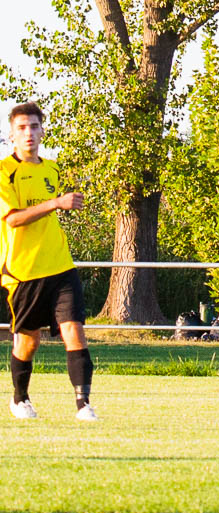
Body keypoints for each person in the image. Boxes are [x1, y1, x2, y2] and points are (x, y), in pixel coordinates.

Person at [0, 101, 98, 421]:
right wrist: (55, 203)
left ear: (42, 131)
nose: (28, 133)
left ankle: (83, 405)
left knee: (75, 331)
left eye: (34, 126)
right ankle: (20, 399)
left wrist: (61, 204)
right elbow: (13, 219)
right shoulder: (4, 172)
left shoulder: (52, 169)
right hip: (23, 272)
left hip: (60, 265)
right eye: (21, 128)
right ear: (11, 135)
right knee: (29, 342)